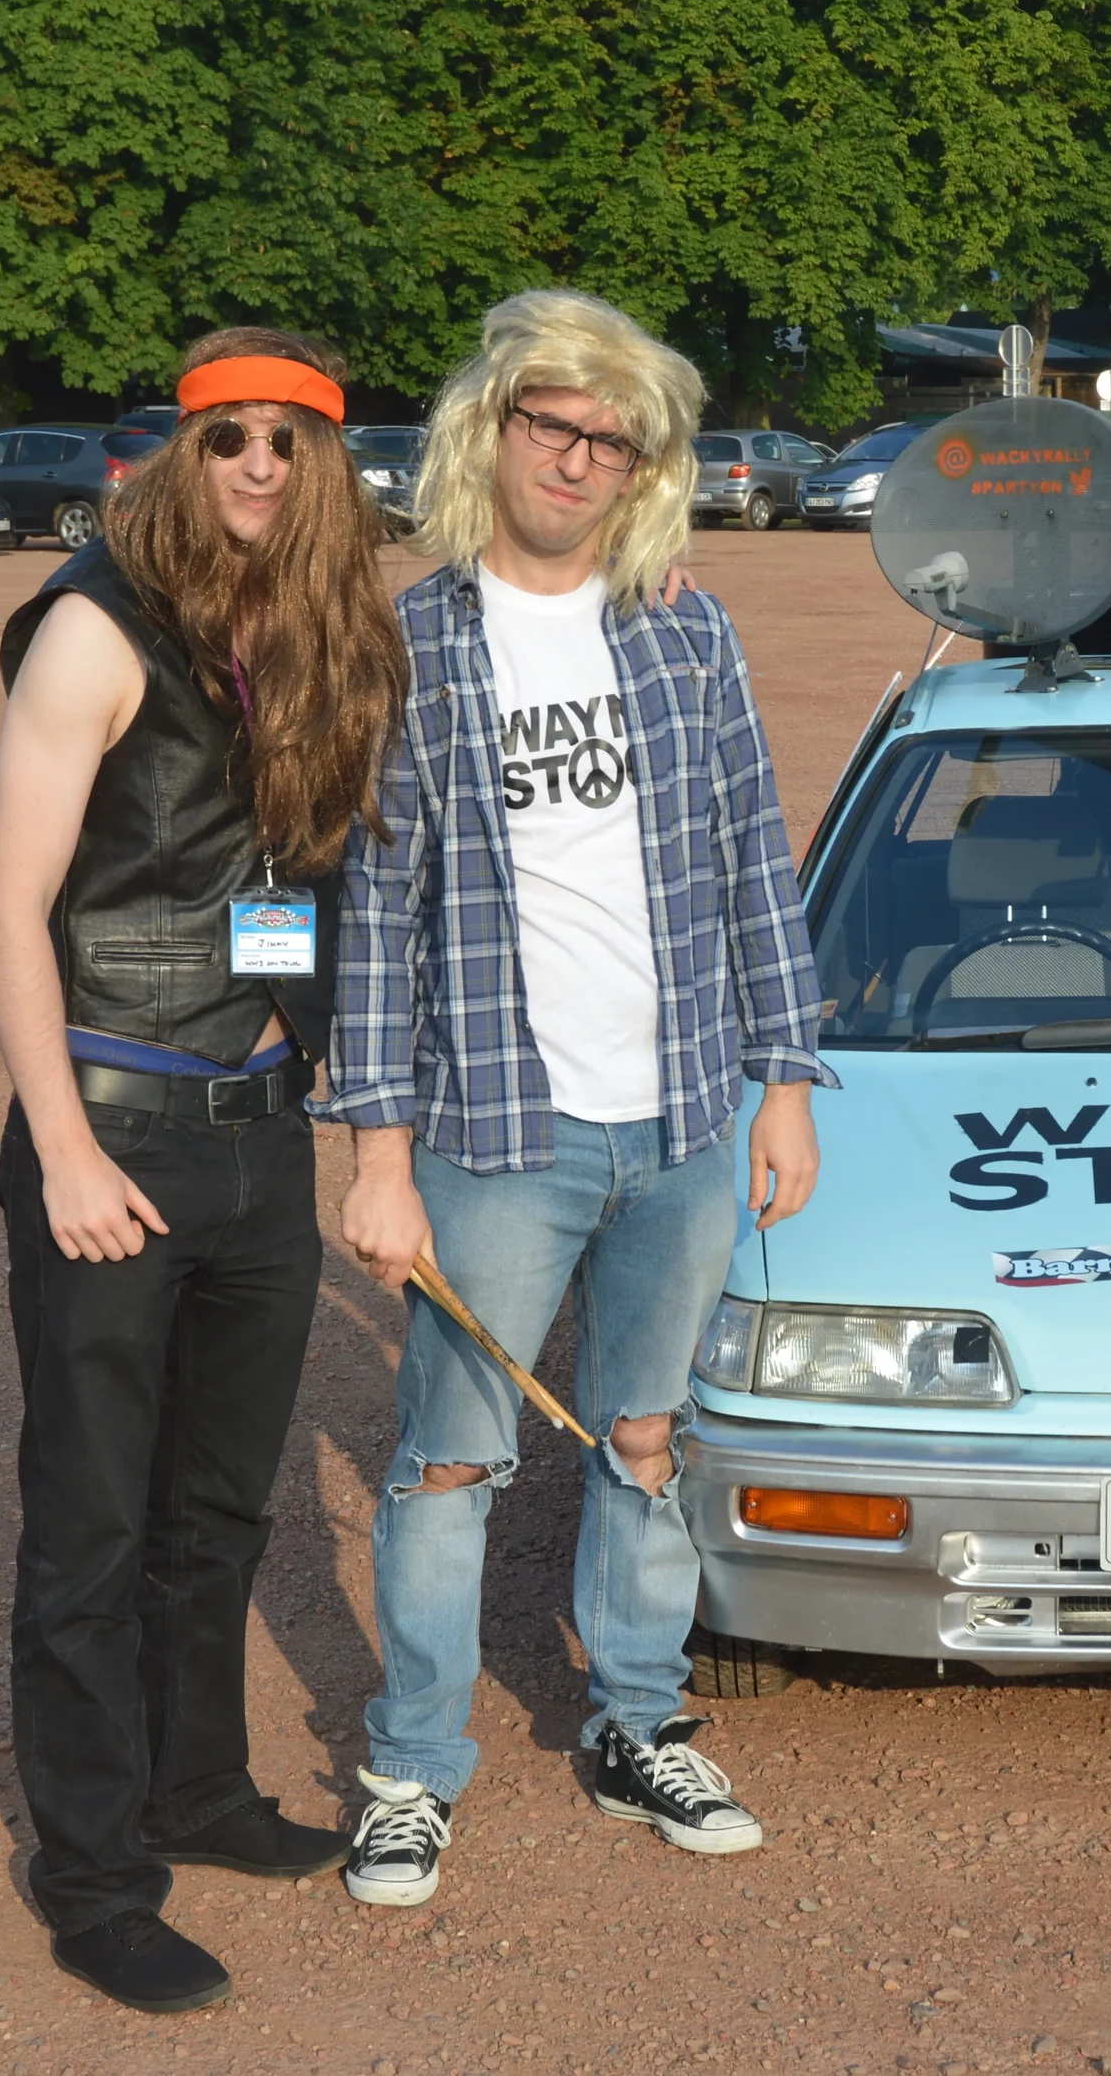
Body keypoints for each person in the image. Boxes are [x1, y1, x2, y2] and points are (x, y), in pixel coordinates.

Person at [326, 289, 829, 1908]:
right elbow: (374, 911)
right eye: (557, 423)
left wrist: (785, 1084)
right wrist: (377, 1154)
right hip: (496, 1130)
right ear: (496, 427)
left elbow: (755, 853)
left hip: (684, 1114)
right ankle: (412, 1762)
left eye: (613, 439)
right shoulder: (414, 640)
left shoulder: (685, 627)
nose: (581, 457)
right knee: (449, 1460)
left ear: (644, 469)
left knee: (641, 1435)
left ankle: (633, 1720)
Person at [0, 331, 407, 2010]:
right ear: (180, 447)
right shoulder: (95, 625)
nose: (254, 465)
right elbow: (14, 905)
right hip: (116, 1133)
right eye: (225, 436)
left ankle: (198, 1788)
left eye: (287, 442)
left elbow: (334, 895)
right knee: (88, 1525)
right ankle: (94, 1875)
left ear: (323, 467)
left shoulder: (310, 633)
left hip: (256, 1136)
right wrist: (66, 1145)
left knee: (224, 1505)